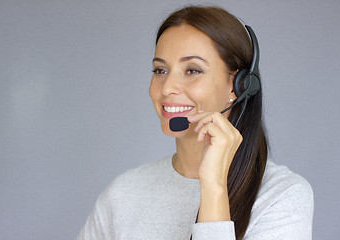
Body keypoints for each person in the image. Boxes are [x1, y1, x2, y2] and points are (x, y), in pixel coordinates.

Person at [78, 5, 313, 240]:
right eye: (160, 70)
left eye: (192, 70)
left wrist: (213, 186)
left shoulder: (282, 197)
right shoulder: (123, 193)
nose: (168, 87)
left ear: (238, 85)